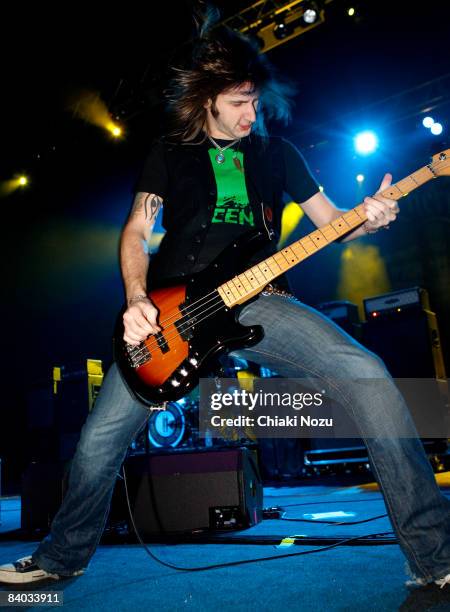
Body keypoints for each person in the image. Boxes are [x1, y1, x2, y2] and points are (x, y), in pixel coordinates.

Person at [1, 26, 450, 588]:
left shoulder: (277, 154)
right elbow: (138, 231)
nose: (249, 113)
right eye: (239, 102)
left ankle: (435, 559)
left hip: (258, 300)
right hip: (173, 317)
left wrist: (373, 215)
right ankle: (59, 558)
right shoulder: (170, 153)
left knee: (367, 373)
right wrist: (137, 298)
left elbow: (333, 222)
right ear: (207, 98)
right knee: (98, 439)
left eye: (255, 101)